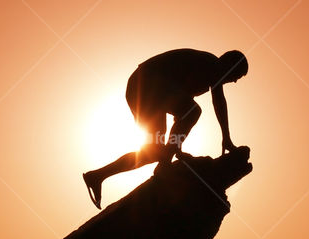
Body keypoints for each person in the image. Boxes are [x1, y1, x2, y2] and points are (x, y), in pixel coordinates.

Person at [82, 48, 248, 209]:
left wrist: (177, 149)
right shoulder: (213, 65)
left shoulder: (206, 69)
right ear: (230, 65)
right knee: (193, 112)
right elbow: (217, 101)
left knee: (156, 150)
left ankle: (97, 176)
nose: (234, 81)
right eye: (236, 76)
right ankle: (165, 163)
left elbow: (181, 108)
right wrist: (225, 137)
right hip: (146, 84)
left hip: (144, 89)